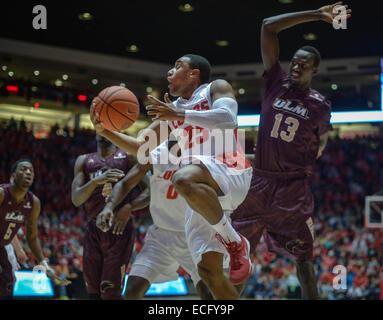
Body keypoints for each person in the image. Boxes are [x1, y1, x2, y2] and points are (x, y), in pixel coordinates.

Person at [91, 54, 253, 299]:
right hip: (203, 193)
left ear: (194, 73)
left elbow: (228, 119)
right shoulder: (173, 111)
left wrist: (178, 116)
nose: (169, 72)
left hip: (231, 171)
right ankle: (233, 246)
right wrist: (106, 130)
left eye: (177, 66)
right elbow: (140, 147)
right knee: (209, 273)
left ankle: (235, 241)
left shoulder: (215, 88)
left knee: (181, 178)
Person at [230, 2, 352, 299]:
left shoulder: (319, 104)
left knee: (305, 264)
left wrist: (315, 151)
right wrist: (316, 15)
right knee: (238, 261)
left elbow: (321, 140)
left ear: (315, 69)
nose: (296, 66)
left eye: (303, 63)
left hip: (292, 189)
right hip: (258, 183)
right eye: (294, 61)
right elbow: (267, 25)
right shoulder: (275, 82)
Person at [97, 138, 213, 299]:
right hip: (161, 236)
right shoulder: (156, 153)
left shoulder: (201, 153)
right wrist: (110, 206)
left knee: (209, 294)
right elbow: (129, 185)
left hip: (194, 234)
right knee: (132, 290)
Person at [71, 134, 149, 300]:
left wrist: (129, 207)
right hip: (94, 229)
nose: (103, 130)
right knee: (92, 292)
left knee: (110, 292)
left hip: (119, 229)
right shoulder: (83, 160)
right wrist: (94, 182)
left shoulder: (128, 156)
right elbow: (76, 199)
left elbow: (151, 191)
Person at [0, 159, 70, 300]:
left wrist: (44, 264)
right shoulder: (2, 194)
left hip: (3, 246)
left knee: (8, 286)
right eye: (23, 169)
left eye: (31, 170)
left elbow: (32, 238)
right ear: (12, 176)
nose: (28, 172)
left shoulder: (33, 203)